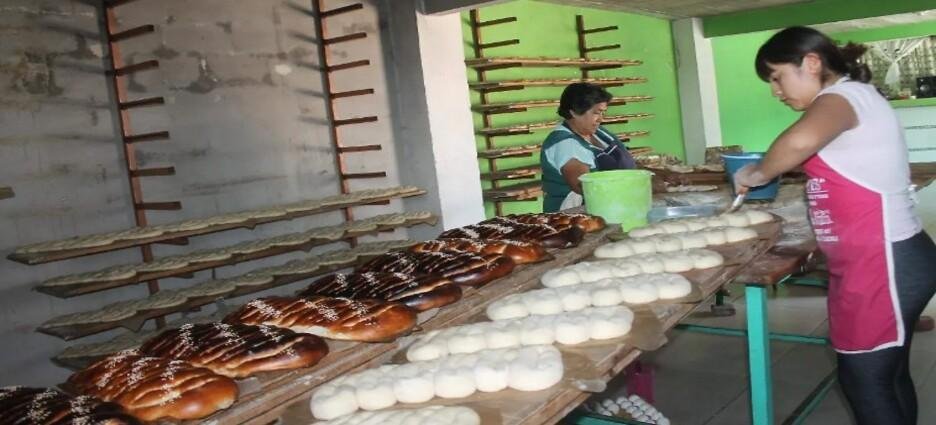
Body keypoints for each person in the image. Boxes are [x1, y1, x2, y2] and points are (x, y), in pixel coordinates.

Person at [734, 26, 936, 425]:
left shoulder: (843, 97)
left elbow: (797, 143)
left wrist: (756, 173)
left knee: (865, 381)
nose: (775, 91)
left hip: (884, 263)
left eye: (777, 77)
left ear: (811, 63)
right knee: (886, 376)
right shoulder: (849, 100)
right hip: (876, 261)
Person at [540, 82, 636, 212]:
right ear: (574, 112)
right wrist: (635, 186)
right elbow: (585, 187)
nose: (601, 119)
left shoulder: (599, 133)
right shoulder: (566, 144)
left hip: (613, 206)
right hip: (573, 216)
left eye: (603, 113)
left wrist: (652, 176)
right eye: (596, 113)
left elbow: (627, 166)